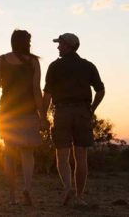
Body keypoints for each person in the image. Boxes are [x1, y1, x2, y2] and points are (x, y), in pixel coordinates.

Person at [41, 33, 105, 207]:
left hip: (61, 112)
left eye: (60, 44)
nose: (58, 47)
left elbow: (46, 95)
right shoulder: (88, 66)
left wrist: (43, 116)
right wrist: (91, 109)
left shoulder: (54, 66)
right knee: (81, 157)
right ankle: (78, 197)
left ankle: (68, 187)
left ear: (69, 45)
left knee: (62, 155)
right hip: (82, 112)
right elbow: (100, 91)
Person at [0, 29, 43, 206]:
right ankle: (27, 188)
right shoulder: (33, 62)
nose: (30, 44)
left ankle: (12, 196)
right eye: (29, 41)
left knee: (10, 154)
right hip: (28, 112)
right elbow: (37, 90)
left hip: (7, 112)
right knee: (28, 153)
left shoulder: (2, 59)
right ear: (25, 43)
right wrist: (43, 115)